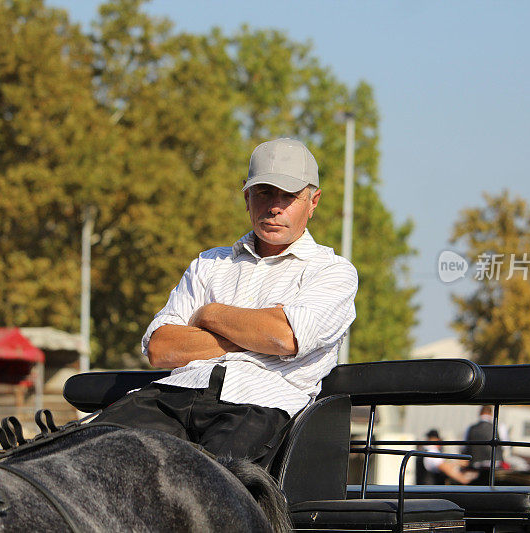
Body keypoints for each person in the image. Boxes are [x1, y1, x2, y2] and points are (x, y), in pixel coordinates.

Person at [95, 138, 359, 466]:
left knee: (202, 488)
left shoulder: (332, 271)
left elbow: (285, 336)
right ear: (247, 196)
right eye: (264, 192)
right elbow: (161, 347)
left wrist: (210, 312)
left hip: (258, 404)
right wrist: (251, 336)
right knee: (83, 459)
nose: (275, 206)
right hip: (175, 393)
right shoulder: (209, 263)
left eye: (288, 195)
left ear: (313, 200)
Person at [463, 405, 509, 483]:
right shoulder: (499, 427)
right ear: (491, 414)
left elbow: (464, 448)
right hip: (495, 466)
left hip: (475, 466)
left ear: (480, 413)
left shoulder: (470, 428)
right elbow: (506, 447)